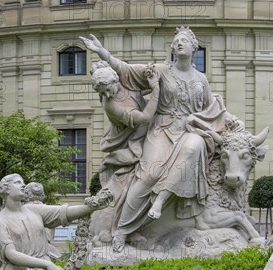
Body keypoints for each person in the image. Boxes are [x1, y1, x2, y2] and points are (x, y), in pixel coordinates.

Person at [82, 27, 231, 252]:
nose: (179, 43)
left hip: (191, 131)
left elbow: (213, 109)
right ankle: (122, 229)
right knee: (149, 174)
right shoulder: (160, 70)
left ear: (194, 47)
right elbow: (126, 71)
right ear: (172, 48)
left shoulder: (201, 79)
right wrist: (103, 53)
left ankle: (160, 201)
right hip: (162, 129)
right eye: (176, 41)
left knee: (195, 146)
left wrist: (231, 123)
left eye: (184, 41)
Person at [89, 61, 160, 241]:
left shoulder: (125, 83)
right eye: (101, 92)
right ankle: (123, 227)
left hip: (147, 133)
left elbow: (135, 91)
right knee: (138, 178)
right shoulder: (110, 104)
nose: (106, 94)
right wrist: (156, 90)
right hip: (130, 142)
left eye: (107, 89)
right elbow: (144, 117)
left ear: (116, 81)